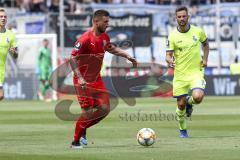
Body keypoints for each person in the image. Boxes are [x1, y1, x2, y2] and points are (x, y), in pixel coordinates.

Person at [70, 9, 137, 148]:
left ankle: (82, 130)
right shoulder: (85, 39)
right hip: (83, 80)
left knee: (105, 109)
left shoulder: (105, 37)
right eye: (105, 21)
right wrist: (80, 77)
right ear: (96, 21)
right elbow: (72, 58)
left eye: (108, 21)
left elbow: (111, 49)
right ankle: (75, 141)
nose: (108, 24)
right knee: (87, 112)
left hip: (96, 79)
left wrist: (127, 56)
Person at [165, 6, 209, 138]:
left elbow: (206, 45)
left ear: (188, 17)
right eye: (179, 17)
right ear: (176, 18)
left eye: (184, 16)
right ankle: (183, 130)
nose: (182, 19)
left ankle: (191, 103)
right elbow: (168, 55)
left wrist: (205, 59)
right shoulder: (172, 35)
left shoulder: (198, 31)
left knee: (198, 97)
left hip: (196, 72)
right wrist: (169, 61)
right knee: (181, 104)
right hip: (180, 74)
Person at [0, 8, 18, 101]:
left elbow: (16, 55)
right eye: (1, 17)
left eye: (5, 17)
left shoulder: (11, 35)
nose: (3, 18)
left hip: (1, 71)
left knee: (1, 96)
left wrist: (14, 52)